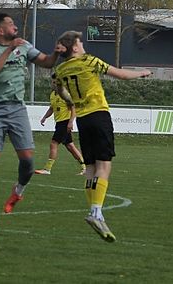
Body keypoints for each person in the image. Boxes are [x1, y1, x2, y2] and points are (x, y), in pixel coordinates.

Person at [54, 30, 151, 242]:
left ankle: (94, 210)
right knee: (104, 165)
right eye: (80, 42)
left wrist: (71, 101)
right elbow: (121, 74)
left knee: (90, 167)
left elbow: (59, 90)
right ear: (75, 47)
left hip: (82, 120)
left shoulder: (60, 70)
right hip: (98, 115)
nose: (83, 45)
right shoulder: (89, 61)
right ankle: (96, 212)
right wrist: (142, 73)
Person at [0, 13, 63, 231]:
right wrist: (9, 49)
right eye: (10, 24)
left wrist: (56, 53)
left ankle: (17, 192)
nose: (15, 26)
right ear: (0, 30)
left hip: (17, 109)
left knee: (28, 161)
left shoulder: (24, 46)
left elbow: (46, 62)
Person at [34, 73, 86, 176]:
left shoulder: (65, 94)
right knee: (70, 146)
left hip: (64, 122)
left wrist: (70, 122)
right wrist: (44, 117)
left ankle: (47, 169)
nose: (53, 84)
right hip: (59, 123)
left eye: (55, 82)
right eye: (52, 82)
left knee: (53, 143)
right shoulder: (52, 95)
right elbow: (51, 108)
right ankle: (85, 167)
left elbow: (73, 108)